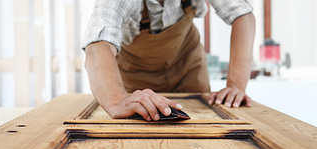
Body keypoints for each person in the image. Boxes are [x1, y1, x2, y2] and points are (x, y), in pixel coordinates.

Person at [83, 0, 255, 121]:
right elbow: (98, 46)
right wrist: (117, 102)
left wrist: (235, 87)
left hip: (188, 64)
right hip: (135, 73)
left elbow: (243, 16)